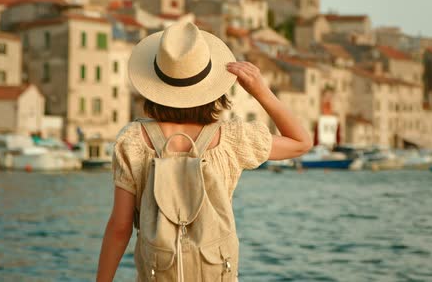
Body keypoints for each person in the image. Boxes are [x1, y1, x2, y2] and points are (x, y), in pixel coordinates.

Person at [96, 21, 312, 281]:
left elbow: (120, 228)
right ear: (212, 87)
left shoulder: (132, 140)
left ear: (155, 84)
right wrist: (260, 91)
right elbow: (301, 142)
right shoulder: (232, 139)